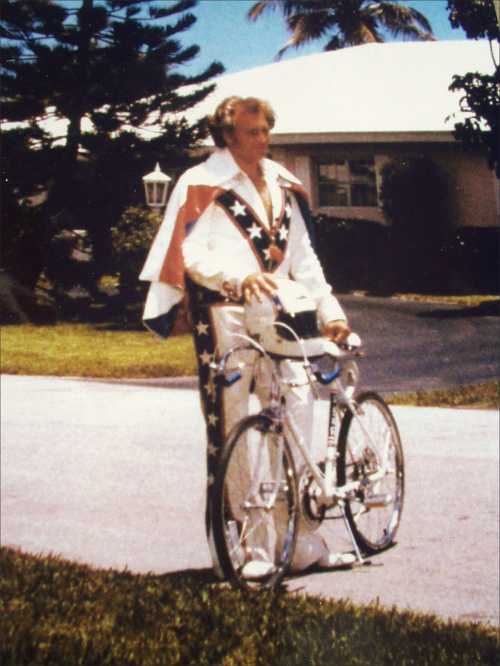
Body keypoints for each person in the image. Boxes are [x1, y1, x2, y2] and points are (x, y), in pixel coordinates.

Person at [140, 96, 355, 577]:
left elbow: (303, 258)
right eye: (252, 131)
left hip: (283, 317)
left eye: (266, 130)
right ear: (228, 134)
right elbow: (188, 252)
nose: (263, 139)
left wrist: (330, 310)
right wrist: (235, 280)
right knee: (235, 428)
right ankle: (247, 548)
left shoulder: (282, 183)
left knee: (296, 418)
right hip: (225, 319)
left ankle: (299, 541)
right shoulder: (200, 183)